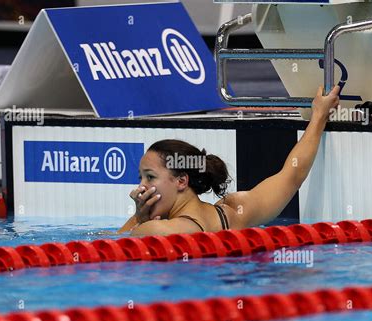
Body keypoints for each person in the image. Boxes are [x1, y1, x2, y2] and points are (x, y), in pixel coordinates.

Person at [118, 86, 340, 236]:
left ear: (182, 181)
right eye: (142, 178)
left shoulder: (155, 231)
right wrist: (319, 115)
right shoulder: (233, 212)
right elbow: (292, 175)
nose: (141, 187)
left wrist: (139, 219)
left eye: (150, 177)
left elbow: (111, 250)